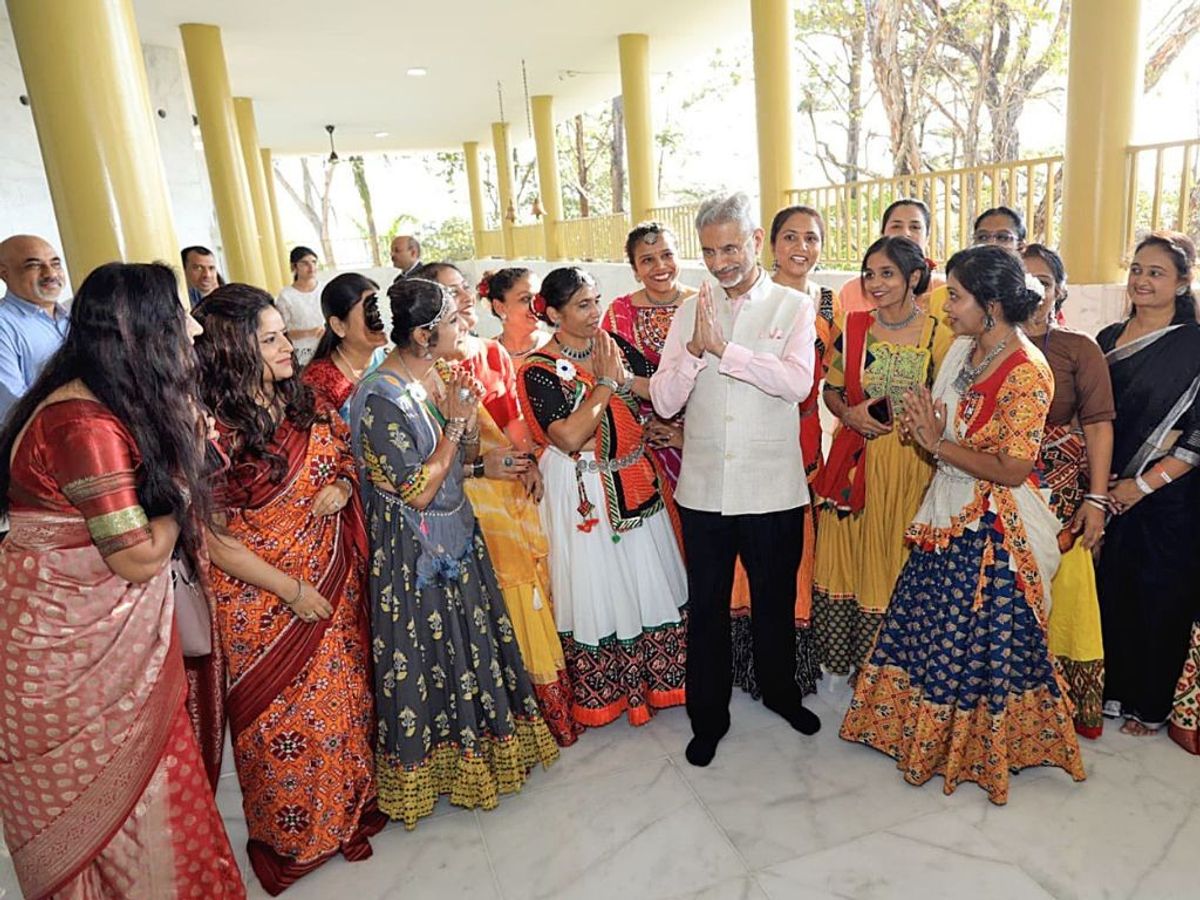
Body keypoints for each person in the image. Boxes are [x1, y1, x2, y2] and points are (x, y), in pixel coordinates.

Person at [0, 262, 244, 898]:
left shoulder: (100, 400)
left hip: (98, 638)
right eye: (177, 319)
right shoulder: (82, 424)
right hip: (74, 652)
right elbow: (136, 559)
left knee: (155, 784)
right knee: (136, 803)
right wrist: (186, 472)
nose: (192, 328)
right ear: (139, 334)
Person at [840, 245, 1085, 805]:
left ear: (992, 306)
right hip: (947, 511)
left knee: (978, 642)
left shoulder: (1027, 371)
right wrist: (926, 432)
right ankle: (921, 733)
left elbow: (1015, 466)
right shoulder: (964, 350)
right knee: (927, 625)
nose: (945, 306)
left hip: (995, 531)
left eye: (956, 296)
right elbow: (941, 428)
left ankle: (982, 747)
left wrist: (937, 443)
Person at [195, 284, 385, 894]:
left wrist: (342, 488)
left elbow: (344, 459)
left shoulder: (303, 399)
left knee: (343, 703)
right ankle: (298, 838)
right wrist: (292, 589)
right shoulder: (209, 427)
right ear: (231, 350)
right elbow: (216, 539)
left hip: (330, 577)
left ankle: (351, 811)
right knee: (279, 723)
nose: (288, 346)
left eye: (284, 334)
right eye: (271, 338)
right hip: (262, 600)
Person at [349, 277, 558, 827]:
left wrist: (473, 454)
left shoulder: (436, 374)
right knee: (426, 653)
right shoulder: (379, 396)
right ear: (422, 334)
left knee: (471, 642)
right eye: (451, 321)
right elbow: (415, 487)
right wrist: (459, 423)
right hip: (413, 552)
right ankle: (434, 768)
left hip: (456, 529)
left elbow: (453, 461)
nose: (463, 327)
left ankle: (486, 749)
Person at [651, 192, 820, 768]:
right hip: (703, 488)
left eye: (730, 247)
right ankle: (708, 718)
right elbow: (663, 398)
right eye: (709, 251)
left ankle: (781, 693)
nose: (721, 261)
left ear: (753, 241)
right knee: (708, 608)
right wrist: (698, 353)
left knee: (774, 601)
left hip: (772, 485)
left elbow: (798, 385)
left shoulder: (795, 307)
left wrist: (729, 350)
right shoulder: (687, 311)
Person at [519, 266, 689, 729]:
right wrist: (607, 385)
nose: (594, 312)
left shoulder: (612, 345)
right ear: (554, 313)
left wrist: (662, 424)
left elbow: (659, 388)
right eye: (582, 305)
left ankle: (659, 682)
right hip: (584, 490)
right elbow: (570, 436)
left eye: (596, 300)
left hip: (631, 478)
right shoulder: (538, 370)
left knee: (646, 577)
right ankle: (611, 692)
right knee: (598, 584)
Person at [418, 261, 580, 746]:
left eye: (462, 288)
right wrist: (477, 467)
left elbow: (513, 421)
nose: (461, 299)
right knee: (499, 601)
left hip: (513, 490)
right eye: (448, 294)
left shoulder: (490, 352)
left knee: (535, 586)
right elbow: (429, 458)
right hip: (464, 499)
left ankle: (553, 705)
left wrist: (528, 461)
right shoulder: (424, 372)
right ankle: (514, 717)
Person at [812, 236, 953, 677]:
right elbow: (830, 390)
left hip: (911, 465)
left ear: (914, 278)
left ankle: (889, 673)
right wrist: (848, 412)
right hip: (856, 458)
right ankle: (846, 659)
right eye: (869, 273)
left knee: (896, 559)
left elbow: (949, 405)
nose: (874, 283)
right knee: (848, 555)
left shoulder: (939, 334)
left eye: (887, 274)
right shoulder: (853, 328)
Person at [727, 206, 835, 700]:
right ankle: (745, 660)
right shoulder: (753, 299)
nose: (801, 247)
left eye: (811, 238)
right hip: (754, 430)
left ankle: (787, 664)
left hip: (805, 432)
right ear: (769, 243)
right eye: (789, 236)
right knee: (750, 548)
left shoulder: (827, 303)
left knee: (796, 549)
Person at [1096, 231, 1200, 740]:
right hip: (1109, 486)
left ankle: (1149, 703)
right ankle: (1108, 691)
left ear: (1183, 283)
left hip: (1171, 498)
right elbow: (1093, 416)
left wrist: (1145, 484)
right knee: (1111, 587)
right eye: (1137, 269)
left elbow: (1199, 432)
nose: (1141, 280)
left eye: (1156, 272)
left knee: (1160, 596)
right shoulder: (1108, 339)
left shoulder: (1195, 344)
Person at [1022, 243, 1114, 738]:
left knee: (1068, 595)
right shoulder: (987, 344)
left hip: (1060, 498)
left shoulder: (1079, 349)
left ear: (1060, 291)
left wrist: (1095, 501)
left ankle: (1059, 706)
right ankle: (1010, 703)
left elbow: (1098, 427)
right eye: (1023, 279)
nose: (1033, 290)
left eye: (1044, 280)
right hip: (998, 491)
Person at [600, 222, 694, 484]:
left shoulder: (703, 305)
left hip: (702, 438)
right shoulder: (619, 313)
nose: (661, 266)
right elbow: (611, 378)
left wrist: (685, 435)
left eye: (667, 255)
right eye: (648, 260)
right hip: (645, 439)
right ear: (635, 270)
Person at [0, 234, 70, 421]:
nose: (50, 274)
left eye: (55, 264)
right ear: (4, 273)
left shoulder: (75, 317)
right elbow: (12, 403)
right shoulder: (4, 325)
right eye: (34, 265)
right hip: (40, 440)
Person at [835, 199, 944, 319]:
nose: (905, 233)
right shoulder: (852, 290)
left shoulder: (943, 291)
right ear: (883, 234)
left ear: (927, 237)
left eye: (914, 227)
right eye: (896, 226)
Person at [301, 272, 389, 419]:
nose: (379, 318)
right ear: (338, 326)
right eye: (370, 311)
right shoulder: (318, 380)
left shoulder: (389, 360)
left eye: (380, 309)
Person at [483, 266, 551, 362]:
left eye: (539, 297)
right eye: (526, 299)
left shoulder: (557, 350)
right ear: (499, 307)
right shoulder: (484, 356)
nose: (537, 305)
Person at [276, 246, 324, 366]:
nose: (311, 267)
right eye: (305, 263)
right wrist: (309, 332)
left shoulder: (325, 289)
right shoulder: (286, 296)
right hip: (302, 356)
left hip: (328, 349)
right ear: (294, 267)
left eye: (314, 262)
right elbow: (282, 331)